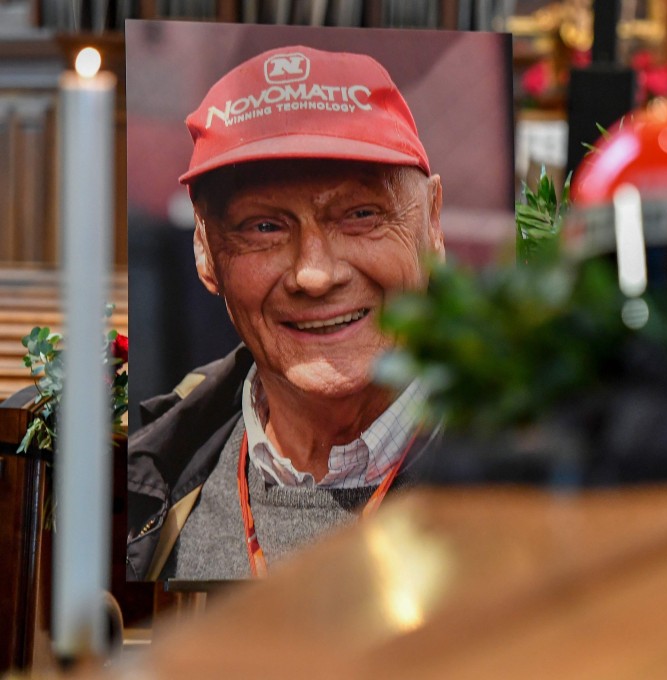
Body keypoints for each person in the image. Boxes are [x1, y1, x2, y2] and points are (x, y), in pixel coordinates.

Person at [126, 45, 445, 581]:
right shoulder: (152, 471)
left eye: (361, 215)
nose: (314, 275)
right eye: (264, 227)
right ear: (205, 250)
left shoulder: (532, 477)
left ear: (432, 223)